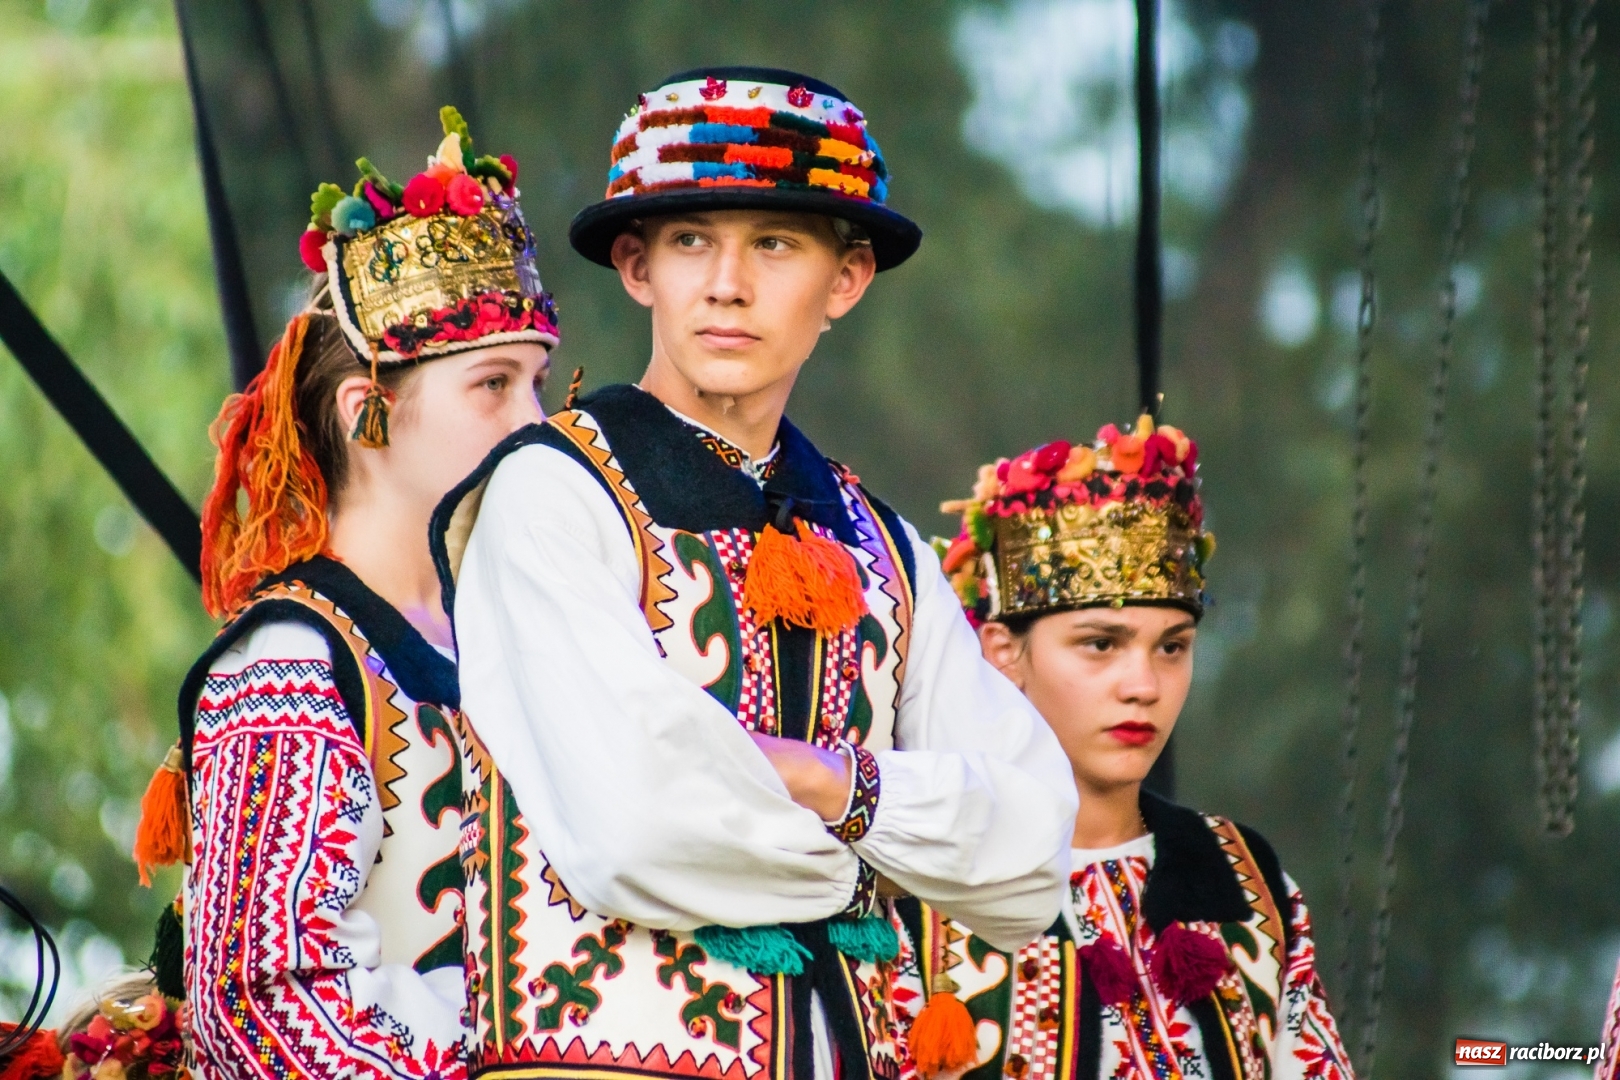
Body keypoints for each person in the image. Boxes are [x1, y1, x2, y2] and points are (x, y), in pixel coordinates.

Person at [429, 68, 1077, 1080]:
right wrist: (882, 852)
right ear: (637, 266)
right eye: (692, 240)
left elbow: (1032, 855)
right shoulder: (548, 497)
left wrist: (830, 780)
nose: (726, 283)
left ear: (847, 279)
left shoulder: (885, 547)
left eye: (773, 243)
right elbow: (639, 822)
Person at [136, 107, 558, 1080]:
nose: (538, 424)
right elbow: (262, 1002)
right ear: (369, 414)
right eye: (493, 385)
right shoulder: (288, 658)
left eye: (540, 383)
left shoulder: (515, 631)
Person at [899, 418, 1354, 1080]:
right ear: (1003, 655)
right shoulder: (916, 881)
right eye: (1100, 644)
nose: (1143, 686)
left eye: (1171, 647)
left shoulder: (1244, 878)